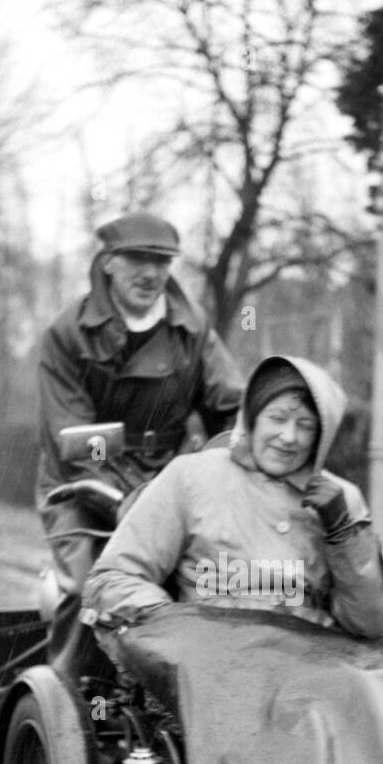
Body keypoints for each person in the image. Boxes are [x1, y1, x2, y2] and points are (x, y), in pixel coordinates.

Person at [35, 210, 243, 680]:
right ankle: (67, 708)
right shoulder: (67, 335)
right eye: (137, 259)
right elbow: (70, 436)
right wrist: (130, 497)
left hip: (166, 479)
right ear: (107, 261)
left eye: (162, 261)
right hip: (81, 487)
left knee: (224, 576)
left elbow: (232, 410)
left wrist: (231, 465)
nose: (151, 273)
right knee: (88, 585)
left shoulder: (193, 331)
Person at [83, 354, 383, 637]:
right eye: (277, 418)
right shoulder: (190, 477)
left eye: (306, 425)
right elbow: (113, 578)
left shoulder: (342, 500)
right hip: (205, 672)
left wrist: (344, 535)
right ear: (252, 417)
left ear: (321, 437)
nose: (289, 437)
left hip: (306, 682)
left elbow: (370, 625)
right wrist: (173, 629)